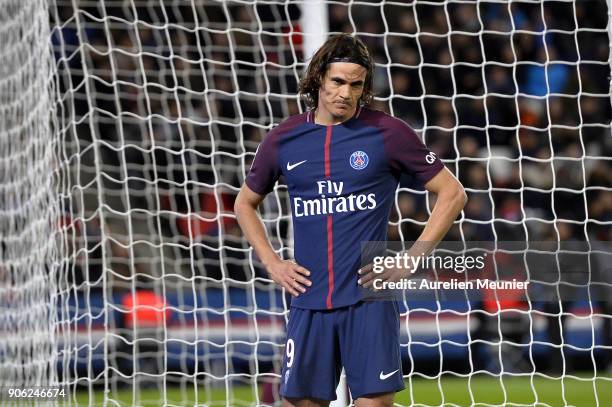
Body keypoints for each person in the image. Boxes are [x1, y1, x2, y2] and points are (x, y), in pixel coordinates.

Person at [234, 34, 466, 407]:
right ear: (318, 79)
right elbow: (244, 204)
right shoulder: (284, 139)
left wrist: (411, 258)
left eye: (356, 84)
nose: (345, 92)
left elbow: (453, 194)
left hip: (368, 300)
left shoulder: (387, 133)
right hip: (308, 299)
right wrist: (273, 263)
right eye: (338, 81)